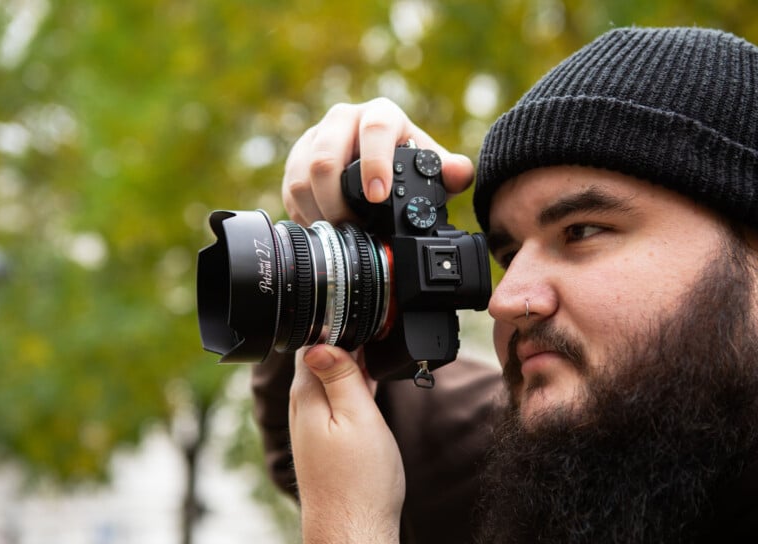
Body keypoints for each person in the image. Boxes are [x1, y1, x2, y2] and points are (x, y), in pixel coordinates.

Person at [251, 26, 758, 543]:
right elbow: (326, 427)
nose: (505, 300)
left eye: (582, 231)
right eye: (509, 255)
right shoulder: (533, 471)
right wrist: (340, 234)